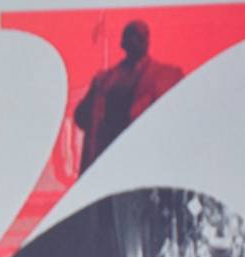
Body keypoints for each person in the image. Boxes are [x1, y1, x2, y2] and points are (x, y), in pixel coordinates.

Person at [73, 19, 183, 171]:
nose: (139, 40)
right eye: (134, 35)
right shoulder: (104, 80)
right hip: (109, 159)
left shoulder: (166, 76)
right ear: (123, 42)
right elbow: (81, 117)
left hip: (145, 160)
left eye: (142, 36)